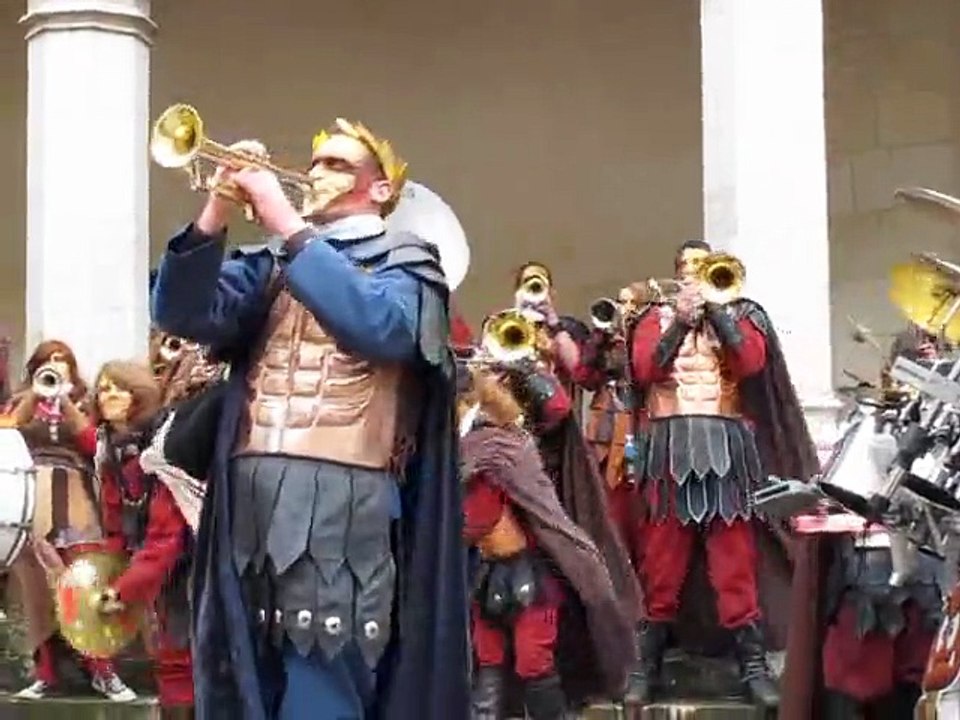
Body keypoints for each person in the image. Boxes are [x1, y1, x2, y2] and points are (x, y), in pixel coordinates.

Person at [151, 119, 468, 720]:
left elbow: (384, 329)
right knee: (249, 678)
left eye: (339, 165)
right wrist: (214, 214)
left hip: (344, 500)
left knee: (323, 677)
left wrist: (288, 226)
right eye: (317, 162)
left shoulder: (408, 261)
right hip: (247, 497)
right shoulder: (269, 266)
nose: (318, 173)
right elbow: (181, 313)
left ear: (380, 190)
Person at [628, 240, 819, 709]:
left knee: (734, 559)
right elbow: (645, 368)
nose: (695, 273)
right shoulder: (654, 317)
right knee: (661, 562)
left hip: (728, 446)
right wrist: (682, 320)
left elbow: (751, 363)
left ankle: (753, 667)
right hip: (669, 448)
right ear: (676, 273)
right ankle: (645, 666)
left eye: (703, 265)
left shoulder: (742, 313)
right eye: (687, 267)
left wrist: (720, 315)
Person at [458, 362, 634, 719]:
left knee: (533, 662)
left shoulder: (505, 446)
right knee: (488, 662)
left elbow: (478, 518)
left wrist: (525, 368)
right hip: (487, 573)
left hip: (529, 575)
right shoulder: (468, 446)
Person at [4, 340, 135, 702]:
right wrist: (35, 395)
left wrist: (66, 402)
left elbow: (95, 444)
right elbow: (9, 431)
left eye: (62, 360)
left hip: (77, 493)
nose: (56, 366)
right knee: (37, 588)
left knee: (87, 578)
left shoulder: (85, 402)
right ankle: (46, 673)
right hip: (35, 493)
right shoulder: (22, 401)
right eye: (49, 361)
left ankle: (102, 670)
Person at [70, 360, 194, 718]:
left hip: (189, 564)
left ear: (137, 392)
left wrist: (125, 588)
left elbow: (167, 535)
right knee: (166, 659)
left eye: (117, 387)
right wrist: (107, 577)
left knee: (185, 655)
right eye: (103, 388)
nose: (107, 394)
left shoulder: (164, 443)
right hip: (151, 569)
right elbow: (115, 528)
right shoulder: (108, 449)